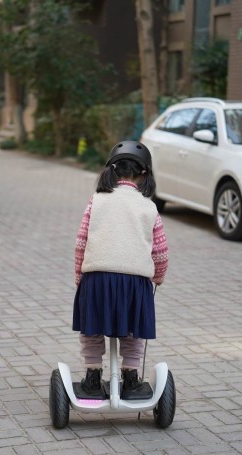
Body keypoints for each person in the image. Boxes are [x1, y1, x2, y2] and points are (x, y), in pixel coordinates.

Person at [72, 141, 169, 399]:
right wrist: (158, 276)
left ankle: (92, 377)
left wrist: (79, 276)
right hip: (135, 282)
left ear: (111, 171)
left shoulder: (97, 200)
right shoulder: (149, 206)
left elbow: (81, 241)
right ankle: (130, 378)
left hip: (97, 277)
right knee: (132, 330)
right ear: (144, 174)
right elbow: (160, 250)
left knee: (91, 328)